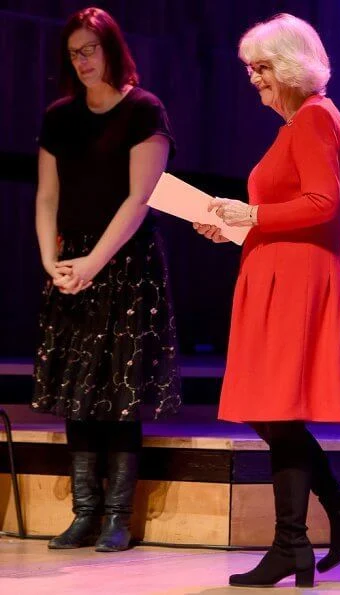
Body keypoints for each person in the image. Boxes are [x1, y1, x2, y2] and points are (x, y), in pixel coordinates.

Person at [194, 13, 340, 588]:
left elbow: (322, 203)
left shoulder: (316, 119)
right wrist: (236, 225)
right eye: (250, 69)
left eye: (263, 67)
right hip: (279, 277)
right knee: (269, 409)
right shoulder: (301, 123)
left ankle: (297, 542)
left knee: (276, 410)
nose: (254, 79)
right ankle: (335, 518)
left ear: (295, 65)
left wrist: (254, 215)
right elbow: (290, 209)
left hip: (298, 284)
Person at [32, 7, 181, 552]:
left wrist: (94, 262)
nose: (82, 61)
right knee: (77, 394)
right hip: (71, 265)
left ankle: (117, 516)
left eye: (89, 49)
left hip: (124, 266)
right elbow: (47, 195)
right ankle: (84, 512)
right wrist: (53, 260)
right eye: (73, 53)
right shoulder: (60, 116)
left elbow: (139, 199)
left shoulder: (143, 110)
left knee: (117, 393)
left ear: (111, 49)